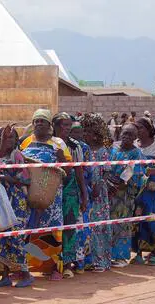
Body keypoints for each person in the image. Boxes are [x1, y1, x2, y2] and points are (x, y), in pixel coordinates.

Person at [20, 109, 71, 282]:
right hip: (31, 193)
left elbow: (69, 170)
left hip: (52, 195)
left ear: (50, 125)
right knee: (31, 228)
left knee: (53, 229)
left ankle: (55, 267)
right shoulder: (26, 142)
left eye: (43, 121)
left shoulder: (58, 143)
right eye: (37, 121)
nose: (39, 124)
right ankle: (32, 265)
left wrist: (61, 159)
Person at [0, 125, 33, 288]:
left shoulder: (17, 155)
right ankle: (5, 276)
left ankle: (26, 274)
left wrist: (8, 179)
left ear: (16, 140)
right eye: (4, 137)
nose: (8, 140)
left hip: (17, 201)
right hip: (3, 201)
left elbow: (26, 179)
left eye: (11, 137)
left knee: (16, 237)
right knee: (3, 238)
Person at [54, 112, 90, 278]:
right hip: (51, 189)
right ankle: (52, 263)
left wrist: (84, 195)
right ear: (55, 126)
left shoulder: (75, 146)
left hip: (69, 190)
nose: (67, 128)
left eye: (69, 125)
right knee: (52, 227)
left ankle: (68, 264)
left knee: (69, 226)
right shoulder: (48, 144)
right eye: (64, 125)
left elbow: (79, 171)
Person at [133, 118, 155, 266]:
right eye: (136, 128)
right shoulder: (135, 145)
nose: (138, 131)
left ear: (149, 129)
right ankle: (138, 253)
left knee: (153, 218)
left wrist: (151, 173)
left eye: (140, 128)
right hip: (137, 189)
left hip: (153, 190)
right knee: (137, 217)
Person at [108, 124, 145, 267]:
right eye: (124, 133)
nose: (126, 137)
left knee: (122, 224)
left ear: (135, 137)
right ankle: (108, 255)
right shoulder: (113, 149)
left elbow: (133, 173)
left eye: (130, 134)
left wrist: (118, 186)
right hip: (109, 190)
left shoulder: (136, 153)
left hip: (124, 194)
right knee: (108, 223)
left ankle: (121, 257)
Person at [81, 113, 113, 272]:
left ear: (96, 135)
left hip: (98, 193)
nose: (85, 135)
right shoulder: (83, 149)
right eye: (85, 132)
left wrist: (99, 186)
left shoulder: (102, 151)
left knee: (99, 226)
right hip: (86, 191)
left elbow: (106, 171)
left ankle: (101, 260)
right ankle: (88, 260)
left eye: (89, 132)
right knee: (88, 225)